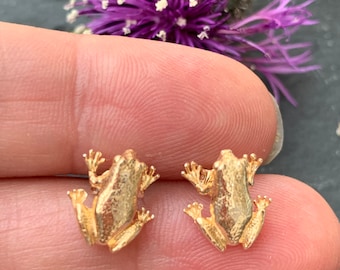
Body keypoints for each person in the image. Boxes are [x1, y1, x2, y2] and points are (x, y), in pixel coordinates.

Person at [0, 22, 339, 269]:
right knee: (103, 233)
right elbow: (106, 187)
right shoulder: (140, 185)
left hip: (221, 221)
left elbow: (98, 182)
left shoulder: (218, 180)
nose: (223, 161)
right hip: (115, 224)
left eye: (226, 165)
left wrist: (226, 179)